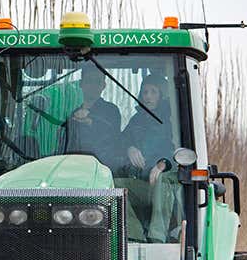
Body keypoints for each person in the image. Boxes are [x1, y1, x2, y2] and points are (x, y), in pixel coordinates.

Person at [115, 74, 180, 242]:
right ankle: (135, 235)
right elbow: (120, 142)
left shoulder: (173, 120)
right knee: (115, 186)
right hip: (143, 184)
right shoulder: (136, 120)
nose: (148, 96)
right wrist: (129, 148)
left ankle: (156, 238)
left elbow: (181, 150)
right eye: (145, 92)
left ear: (162, 95)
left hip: (168, 186)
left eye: (153, 92)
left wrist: (162, 164)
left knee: (162, 180)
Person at [63, 67, 122, 166]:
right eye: (89, 81)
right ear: (81, 84)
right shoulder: (74, 114)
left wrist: (90, 121)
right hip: (75, 165)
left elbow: (115, 137)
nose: (93, 85)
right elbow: (68, 143)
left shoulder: (111, 110)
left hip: (105, 168)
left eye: (97, 82)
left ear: (104, 85)